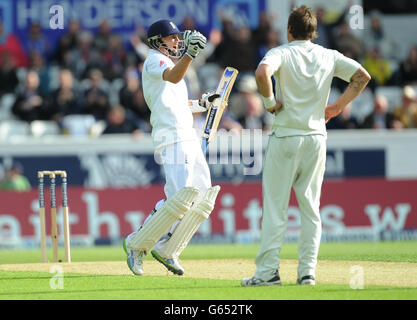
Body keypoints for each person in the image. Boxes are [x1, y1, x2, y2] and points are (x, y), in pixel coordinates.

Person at [241, 6, 371, 287]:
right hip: (315, 138)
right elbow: (362, 76)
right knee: (311, 209)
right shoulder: (328, 55)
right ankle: (307, 273)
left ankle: (267, 273)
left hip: (286, 135)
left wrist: (268, 103)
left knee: (275, 208)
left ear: (289, 30)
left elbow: (262, 73)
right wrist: (337, 107)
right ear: (314, 32)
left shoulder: (281, 52)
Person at [123, 19, 221, 276]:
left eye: (179, 37)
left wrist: (203, 103)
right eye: (172, 37)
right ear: (158, 41)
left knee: (202, 199)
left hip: (187, 134)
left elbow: (178, 103)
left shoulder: (170, 64)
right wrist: (190, 55)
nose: (178, 41)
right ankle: (135, 244)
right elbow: (174, 76)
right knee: (179, 198)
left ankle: (168, 250)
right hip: (172, 137)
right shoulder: (155, 60)